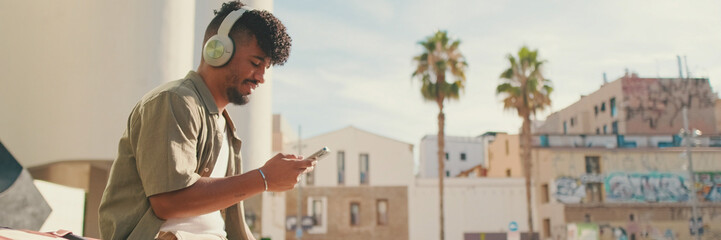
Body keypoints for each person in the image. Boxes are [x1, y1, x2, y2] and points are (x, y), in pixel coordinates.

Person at [98, 1, 313, 240]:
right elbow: (168, 202)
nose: (261, 78)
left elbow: (225, 224)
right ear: (218, 50)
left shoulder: (225, 128)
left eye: (266, 68)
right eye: (255, 63)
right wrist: (263, 178)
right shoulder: (175, 101)